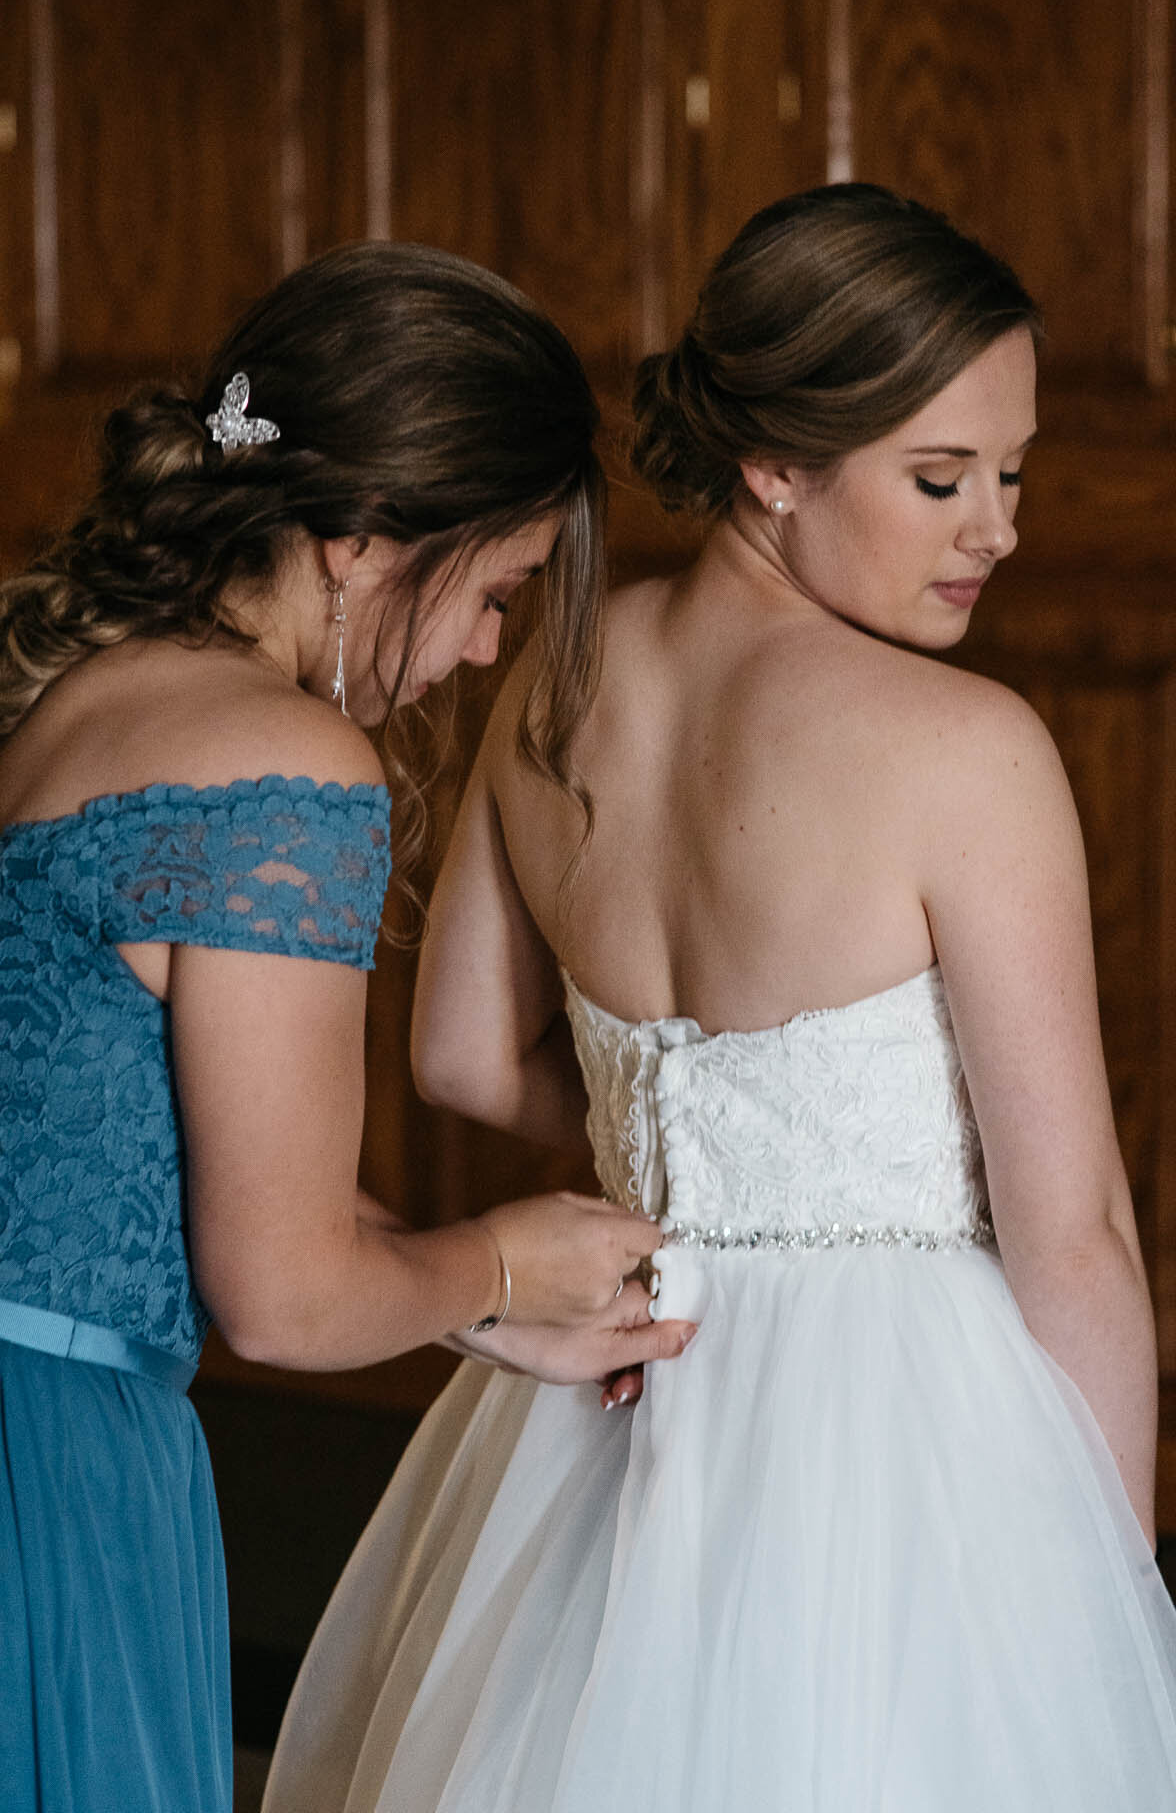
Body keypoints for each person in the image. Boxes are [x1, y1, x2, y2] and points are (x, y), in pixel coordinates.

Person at [263, 188, 1176, 1811]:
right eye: (939, 479)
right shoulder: (969, 751)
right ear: (774, 464)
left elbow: (453, 1059)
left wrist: (693, 1169)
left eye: (1015, 473)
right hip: (907, 1429)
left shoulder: (552, 679)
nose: (996, 527)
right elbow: (1070, 1227)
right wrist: (1107, 1587)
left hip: (627, 1356)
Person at [0, 241, 695, 1813]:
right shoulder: (286, 766)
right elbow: (287, 1296)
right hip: (49, 1478)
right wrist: (513, 1253)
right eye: (497, 589)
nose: (484, 651)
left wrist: (467, 1312)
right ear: (373, 536)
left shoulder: (84, 693)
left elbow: (131, 1177)